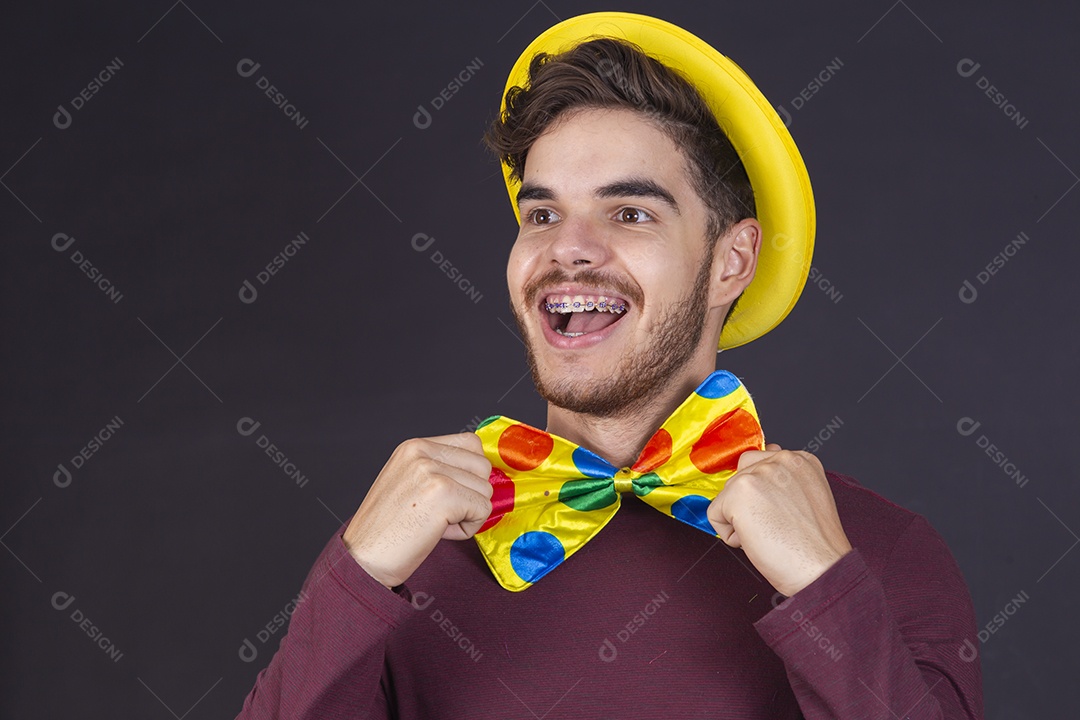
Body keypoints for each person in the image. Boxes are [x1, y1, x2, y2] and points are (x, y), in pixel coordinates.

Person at [236, 12, 983, 719]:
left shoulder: (880, 552)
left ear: (731, 261)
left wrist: (827, 591)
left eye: (630, 213)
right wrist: (356, 578)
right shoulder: (408, 553)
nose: (568, 247)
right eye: (542, 214)